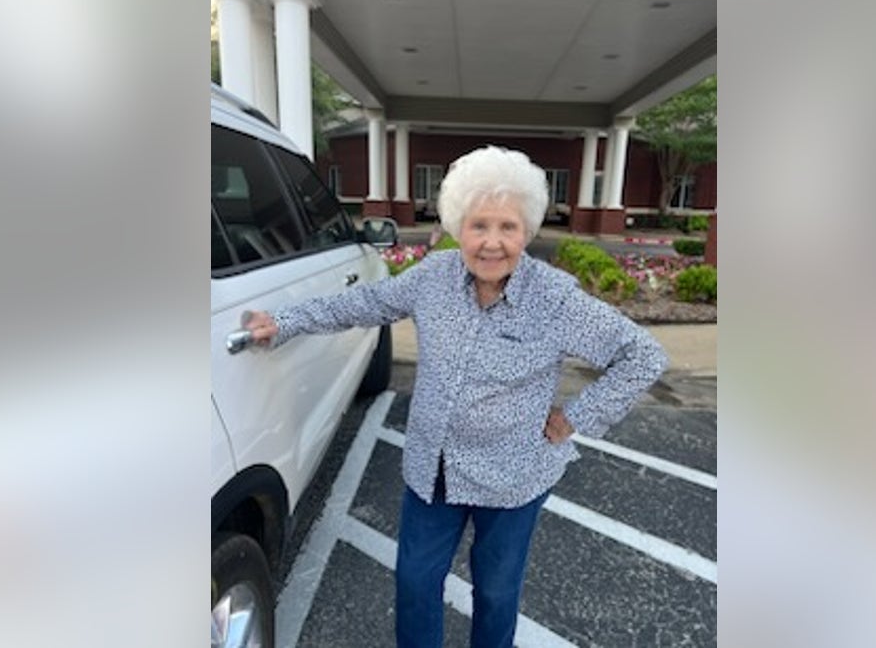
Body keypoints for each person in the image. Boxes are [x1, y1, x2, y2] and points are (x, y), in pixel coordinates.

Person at [243, 145, 667, 648]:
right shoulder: (433, 279)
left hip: (513, 477)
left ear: (527, 231)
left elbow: (643, 355)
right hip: (433, 470)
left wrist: (577, 416)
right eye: (478, 225)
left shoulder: (555, 299)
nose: (492, 243)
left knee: (496, 592)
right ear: (456, 227)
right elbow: (364, 302)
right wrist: (286, 321)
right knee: (415, 583)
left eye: (507, 227)